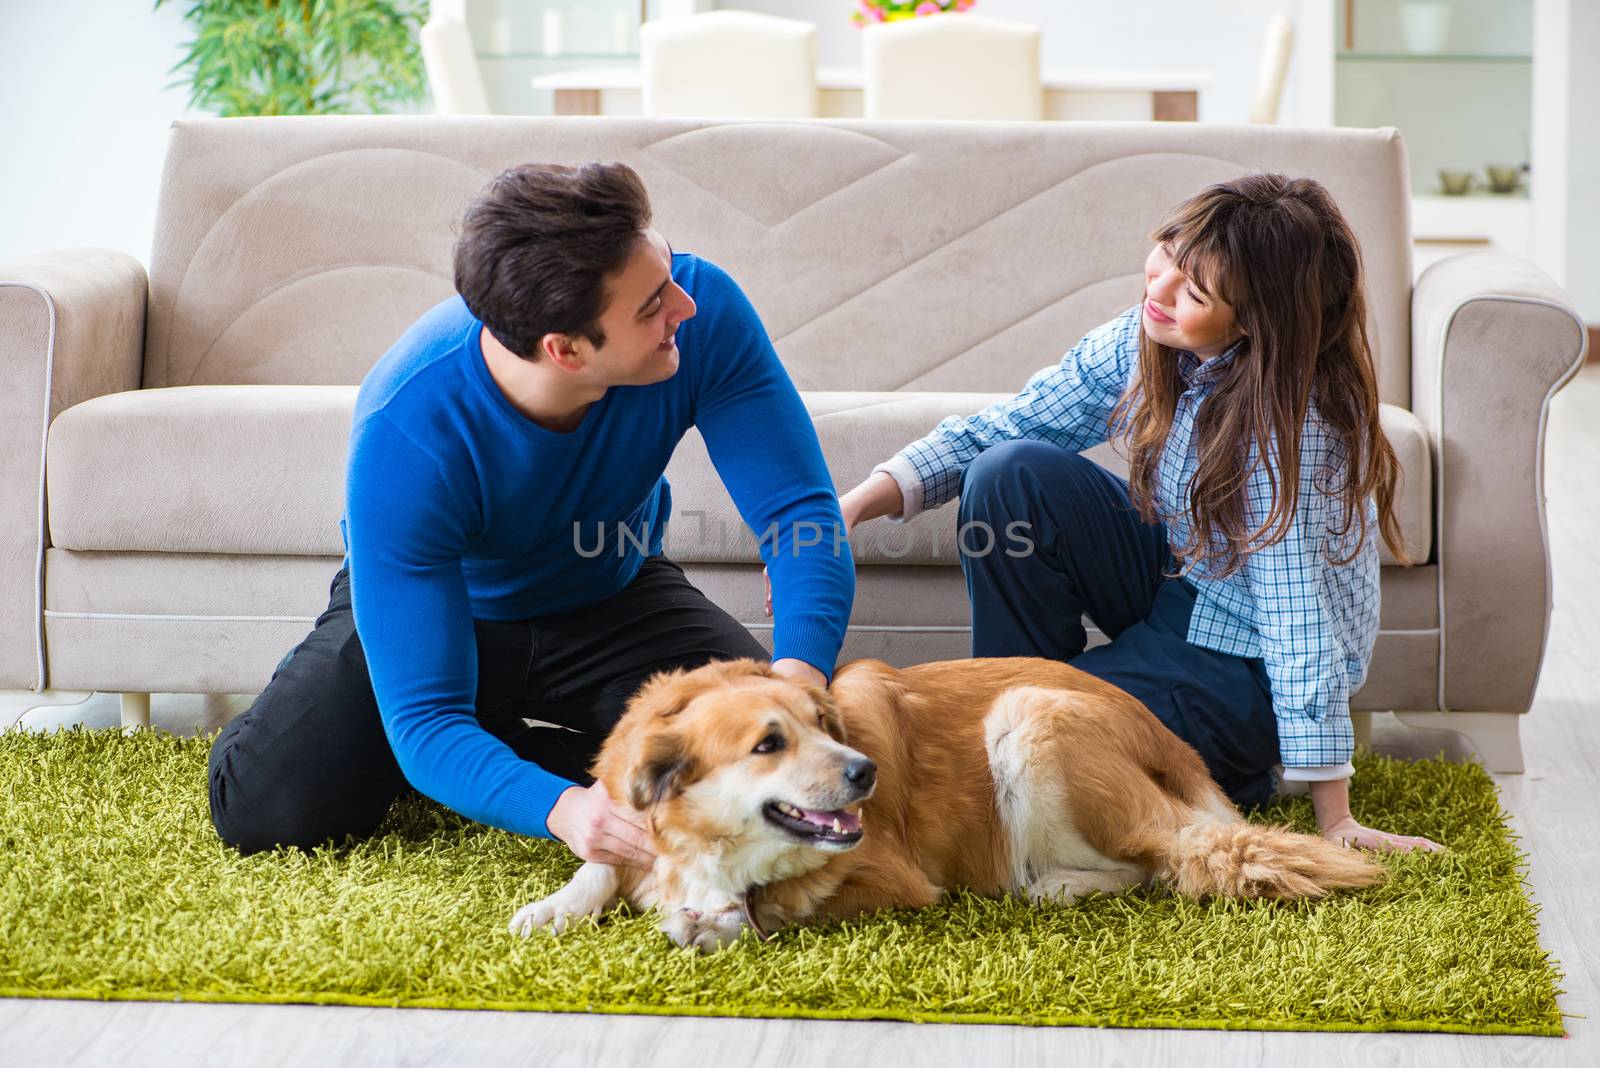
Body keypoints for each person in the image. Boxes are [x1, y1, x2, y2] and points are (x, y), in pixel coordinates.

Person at [208, 162, 854, 868]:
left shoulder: (705, 313)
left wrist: (797, 681)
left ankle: (483, 747)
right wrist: (568, 809)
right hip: (455, 608)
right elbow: (426, 718)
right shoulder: (408, 430)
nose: (684, 306)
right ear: (566, 349)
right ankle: (448, 744)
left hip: (614, 594)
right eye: (650, 305)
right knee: (269, 812)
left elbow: (801, 514)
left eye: (666, 272)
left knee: (746, 768)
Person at [836, 173, 1442, 853]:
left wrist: (1336, 818)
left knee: (998, 744)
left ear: (1253, 322)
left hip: (1247, 665)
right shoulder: (1146, 335)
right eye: (1166, 259)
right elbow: (1007, 425)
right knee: (1010, 472)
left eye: (1194, 292)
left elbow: (1297, 621)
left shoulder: (1288, 430)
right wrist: (854, 505)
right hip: (1180, 582)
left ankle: (1234, 762)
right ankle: (1016, 703)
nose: (1156, 291)